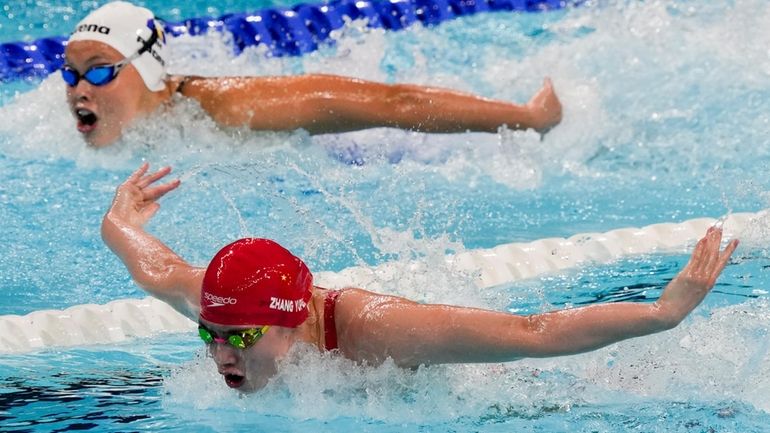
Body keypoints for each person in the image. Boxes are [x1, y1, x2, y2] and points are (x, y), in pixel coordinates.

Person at [101, 163, 738, 392]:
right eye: (209, 334)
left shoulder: (378, 331)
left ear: (291, 320)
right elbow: (155, 267)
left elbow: (533, 330)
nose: (218, 352)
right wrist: (118, 218)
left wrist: (662, 314)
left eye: (237, 338)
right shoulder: (224, 307)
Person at [64, 1, 563, 148]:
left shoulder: (229, 107)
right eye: (71, 75)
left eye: (100, 72)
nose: (79, 90)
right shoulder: (61, 123)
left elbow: (393, 105)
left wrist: (525, 117)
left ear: (147, 67)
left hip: (364, 155)